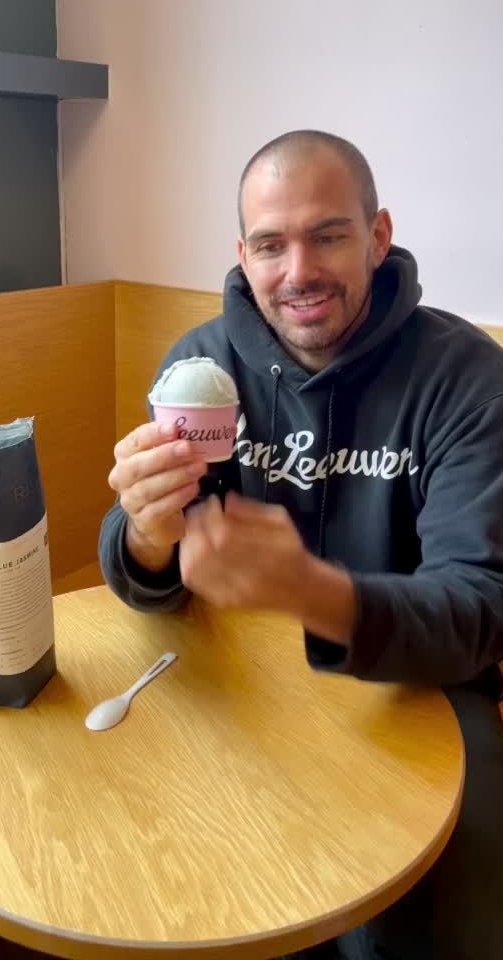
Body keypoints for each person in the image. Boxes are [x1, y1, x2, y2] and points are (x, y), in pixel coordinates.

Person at [99, 130, 503, 960]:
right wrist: (146, 531)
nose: (298, 271)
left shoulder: (465, 378)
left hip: (421, 695)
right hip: (237, 679)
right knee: (148, 876)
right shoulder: (200, 368)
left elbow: (480, 611)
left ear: (378, 236)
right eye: (271, 245)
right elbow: (147, 574)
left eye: (328, 236)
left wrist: (315, 593)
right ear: (243, 256)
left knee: (431, 927)